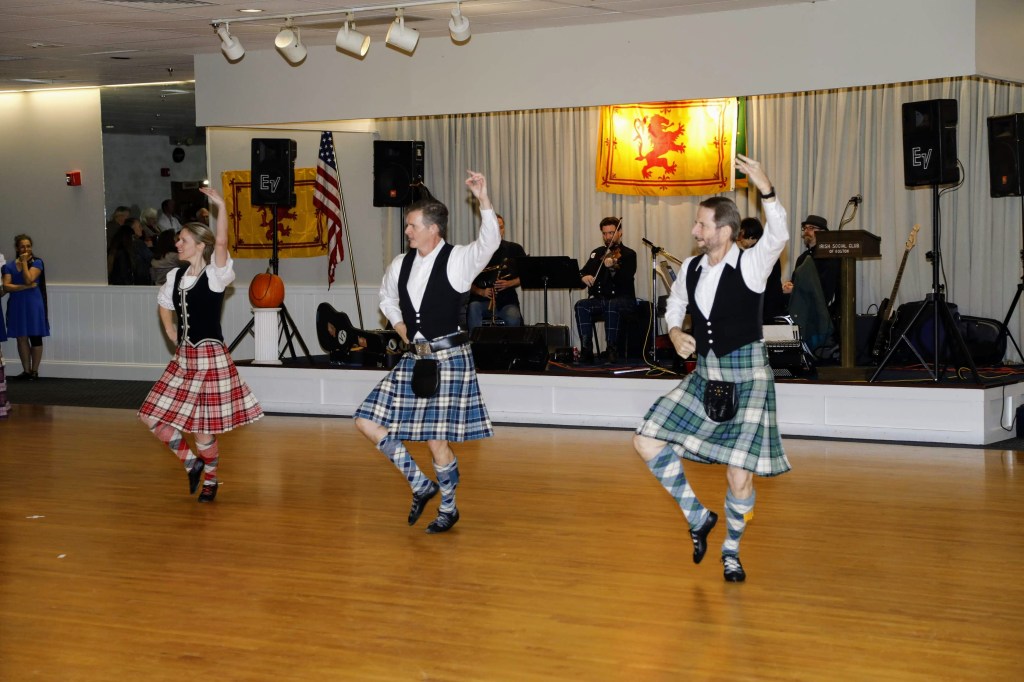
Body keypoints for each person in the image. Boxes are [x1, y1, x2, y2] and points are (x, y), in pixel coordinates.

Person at [633, 154, 791, 583]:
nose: (694, 231)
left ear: (725, 230)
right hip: (706, 374)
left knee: (739, 477)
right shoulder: (691, 267)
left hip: (749, 375)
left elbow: (779, 233)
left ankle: (732, 551)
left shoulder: (752, 264)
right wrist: (674, 328)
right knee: (646, 440)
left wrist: (767, 189)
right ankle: (698, 515)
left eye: (701, 225)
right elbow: (677, 302)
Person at [353, 170, 499, 534]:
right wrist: (401, 329)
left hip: (449, 358)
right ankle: (419, 483)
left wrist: (482, 198)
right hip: (415, 357)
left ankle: (448, 508)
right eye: (407, 226)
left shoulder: (459, 259)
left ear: (434, 228)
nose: (407, 232)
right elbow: (387, 298)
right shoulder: (400, 264)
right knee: (366, 420)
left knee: (436, 441)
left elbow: (490, 242)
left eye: (412, 225)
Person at [137, 187, 263, 503]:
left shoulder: (216, 274)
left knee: (203, 430)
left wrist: (220, 206)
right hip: (185, 358)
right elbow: (164, 303)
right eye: (178, 239)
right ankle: (191, 462)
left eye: (183, 240)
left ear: (200, 245)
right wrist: (169, 331)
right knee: (150, 416)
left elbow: (221, 242)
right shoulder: (176, 277)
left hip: (209, 357)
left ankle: (210, 480)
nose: (177, 243)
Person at [574, 217, 637, 364]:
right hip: (601, 299)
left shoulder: (629, 254)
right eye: (604, 234)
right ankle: (587, 349)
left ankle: (611, 349)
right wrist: (583, 277)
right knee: (581, 305)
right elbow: (581, 272)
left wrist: (613, 268)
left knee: (611, 305)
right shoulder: (597, 253)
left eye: (611, 233)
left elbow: (625, 279)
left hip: (624, 300)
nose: (608, 237)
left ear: (619, 232)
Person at [782, 214, 840, 352]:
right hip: (800, 304)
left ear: (823, 233)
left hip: (816, 309)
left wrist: (795, 289)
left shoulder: (830, 258)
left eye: (812, 228)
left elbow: (824, 290)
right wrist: (788, 285)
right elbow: (795, 280)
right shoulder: (803, 258)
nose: (806, 231)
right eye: (805, 228)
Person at [467, 213, 527, 330]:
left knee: (513, 318)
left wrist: (509, 283)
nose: (498, 231)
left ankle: (510, 348)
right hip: (482, 301)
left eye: (501, 227)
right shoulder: (476, 251)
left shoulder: (514, 249)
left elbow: (526, 275)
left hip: (507, 301)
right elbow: (466, 282)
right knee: (473, 308)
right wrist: (481, 292)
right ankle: (475, 346)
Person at [2, 234, 50, 380]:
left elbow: (30, 278)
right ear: (17, 248)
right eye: (22, 246)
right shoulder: (8, 266)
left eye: (28, 246)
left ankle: (34, 371)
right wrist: (24, 287)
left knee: (35, 336)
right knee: (21, 337)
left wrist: (24, 263)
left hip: (33, 304)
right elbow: (6, 286)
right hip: (17, 304)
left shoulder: (37, 262)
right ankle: (26, 370)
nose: (26, 249)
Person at [738, 217, 787, 321]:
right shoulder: (766, 250)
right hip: (772, 303)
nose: (740, 240)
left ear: (751, 237)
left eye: (742, 236)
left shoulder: (756, 254)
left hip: (765, 306)